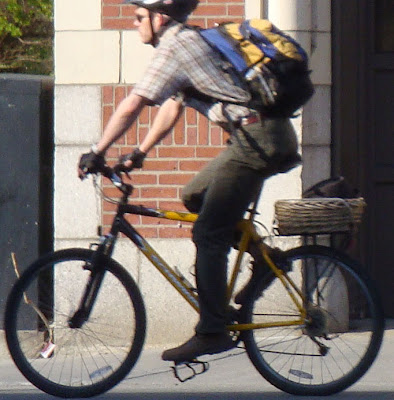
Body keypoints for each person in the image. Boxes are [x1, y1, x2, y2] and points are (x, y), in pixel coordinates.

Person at [78, 0, 300, 363]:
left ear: (159, 17)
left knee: (208, 234)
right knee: (194, 195)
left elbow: (135, 103)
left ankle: (213, 329)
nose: (135, 25)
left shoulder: (176, 46)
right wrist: (141, 151)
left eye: (138, 18)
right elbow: (173, 105)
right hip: (258, 135)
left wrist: (97, 150)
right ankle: (264, 259)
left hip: (257, 139)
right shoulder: (191, 42)